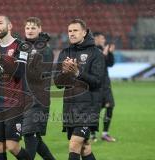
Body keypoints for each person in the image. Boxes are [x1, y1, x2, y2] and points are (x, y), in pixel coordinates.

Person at [54, 19, 104, 160]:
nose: (72, 33)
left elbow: (97, 82)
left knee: (74, 145)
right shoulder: (65, 53)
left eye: (75, 30)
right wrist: (65, 73)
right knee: (84, 148)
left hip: (89, 107)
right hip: (70, 107)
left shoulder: (96, 53)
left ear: (84, 32)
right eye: (70, 31)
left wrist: (77, 73)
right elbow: (58, 83)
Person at [0, 15, 30, 160]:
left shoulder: (22, 46)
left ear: (9, 26)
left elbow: (19, 73)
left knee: (12, 146)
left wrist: (0, 59)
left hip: (14, 104)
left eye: (0, 23)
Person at [22, 17, 55, 160]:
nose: (30, 30)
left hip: (38, 100)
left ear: (40, 29)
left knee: (29, 134)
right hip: (25, 99)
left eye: (33, 28)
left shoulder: (46, 50)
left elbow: (40, 74)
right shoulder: (24, 47)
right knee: (34, 137)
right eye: (28, 28)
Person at [91, 32, 116, 142]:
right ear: (96, 38)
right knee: (95, 110)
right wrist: (104, 55)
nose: (104, 40)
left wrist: (110, 53)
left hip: (106, 85)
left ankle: (105, 133)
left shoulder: (103, 49)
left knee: (110, 106)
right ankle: (92, 134)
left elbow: (110, 64)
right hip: (95, 85)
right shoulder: (91, 50)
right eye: (102, 38)